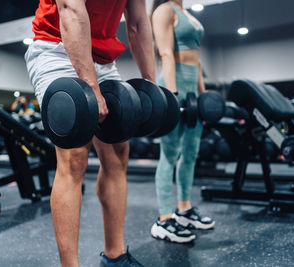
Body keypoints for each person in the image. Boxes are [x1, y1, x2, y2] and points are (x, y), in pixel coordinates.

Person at [24, 0, 155, 266]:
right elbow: (70, 9)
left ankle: (114, 255)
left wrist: (151, 87)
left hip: (103, 58)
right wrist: (91, 88)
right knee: (74, 155)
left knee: (119, 151)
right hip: (57, 43)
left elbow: (138, 23)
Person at [150, 0, 215, 244]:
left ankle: (184, 209)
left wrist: (203, 97)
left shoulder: (188, 13)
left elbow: (197, 61)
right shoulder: (164, 10)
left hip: (192, 90)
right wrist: (172, 97)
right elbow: (165, 53)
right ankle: (165, 218)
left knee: (190, 152)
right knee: (169, 153)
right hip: (173, 83)